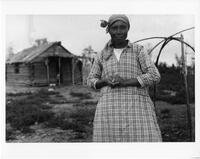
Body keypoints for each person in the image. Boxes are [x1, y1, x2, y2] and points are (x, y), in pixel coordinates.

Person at [87, 15, 162, 142]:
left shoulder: (138, 50)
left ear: (128, 29)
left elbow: (154, 75)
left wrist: (125, 82)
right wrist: (105, 81)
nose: (119, 31)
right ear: (109, 30)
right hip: (108, 109)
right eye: (115, 28)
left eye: (123, 27)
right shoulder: (101, 55)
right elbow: (90, 80)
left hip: (137, 108)